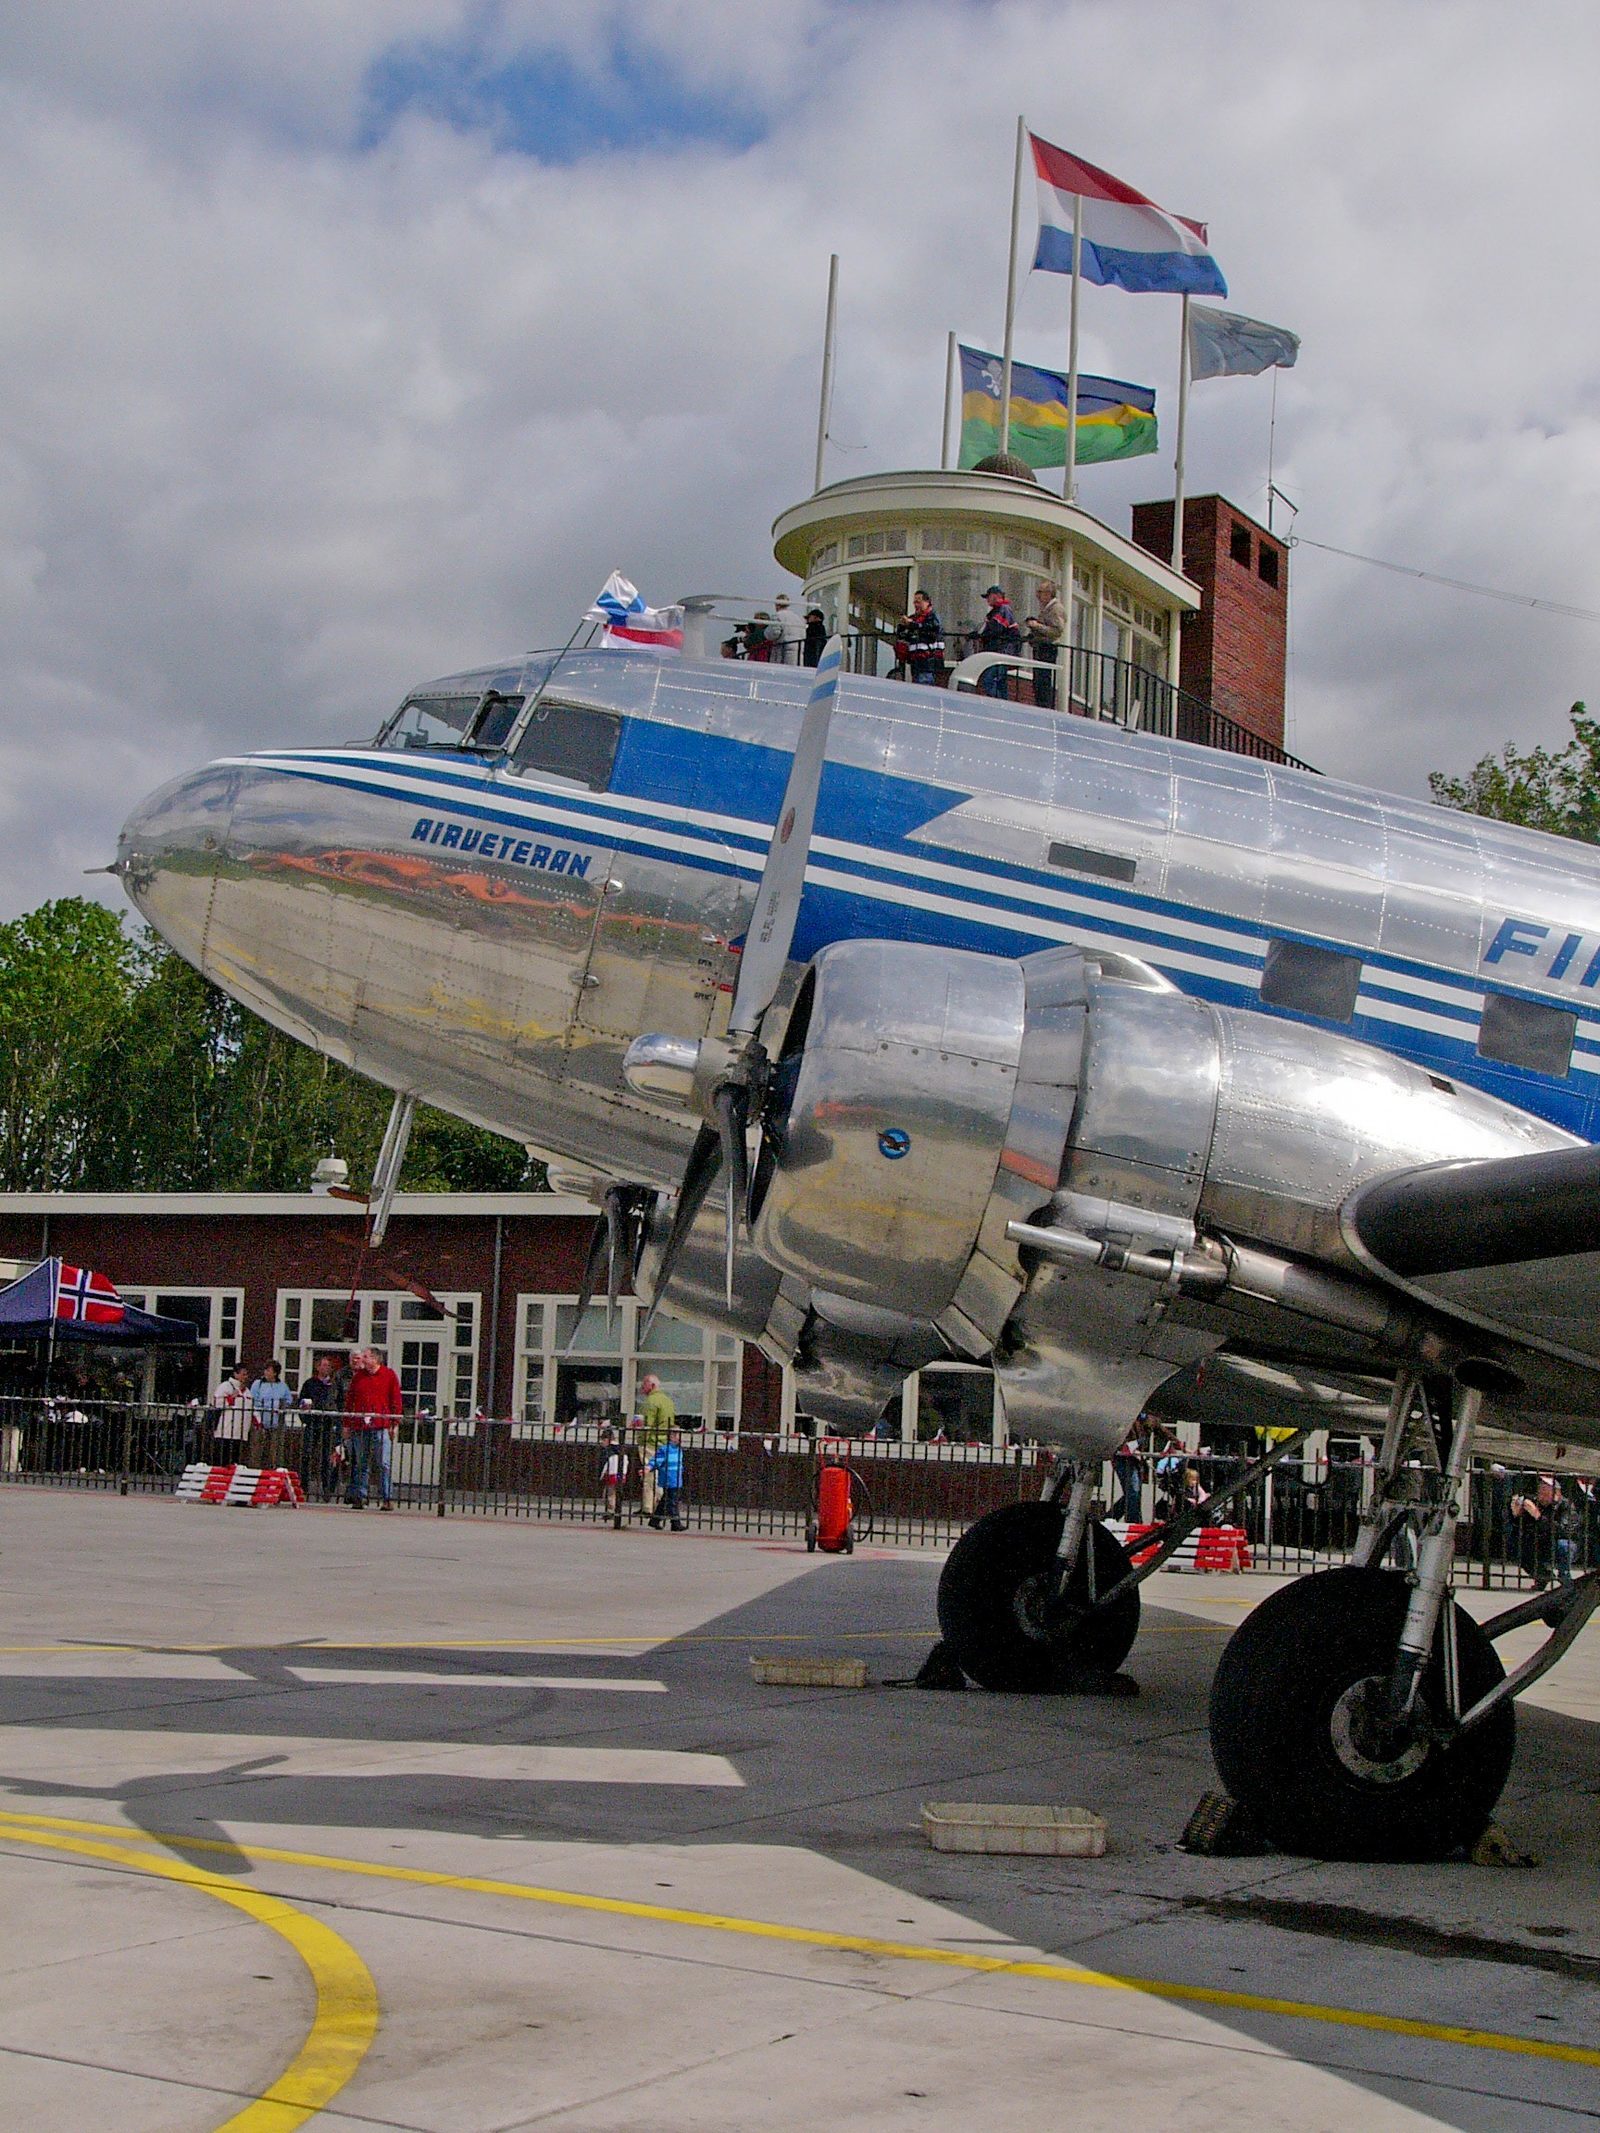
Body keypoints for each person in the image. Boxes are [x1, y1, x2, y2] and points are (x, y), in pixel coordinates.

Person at [343, 1346, 403, 1509]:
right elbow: (350, 1400)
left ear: (375, 1359)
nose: (362, 1359)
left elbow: (396, 1400)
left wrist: (394, 1424)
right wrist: (347, 1423)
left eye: (366, 1356)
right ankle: (360, 1496)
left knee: (383, 1462)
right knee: (361, 1463)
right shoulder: (358, 1377)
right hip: (359, 1425)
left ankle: (387, 1497)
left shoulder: (388, 1375)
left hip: (381, 1425)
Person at [296, 1353, 343, 1501]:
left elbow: (340, 1403)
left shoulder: (335, 1385)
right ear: (317, 1367)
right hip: (313, 1424)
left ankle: (327, 1489)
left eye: (329, 1366)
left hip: (329, 1425)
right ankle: (303, 1488)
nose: (326, 1368)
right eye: (323, 1365)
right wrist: (305, 1418)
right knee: (307, 1455)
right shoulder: (310, 1383)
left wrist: (337, 1422)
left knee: (327, 1458)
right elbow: (302, 1402)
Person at [1025, 580, 1066, 710]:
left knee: (1043, 682)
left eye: (1040, 592)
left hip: (1047, 649)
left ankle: (1045, 707)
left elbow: (1057, 631)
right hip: (1041, 648)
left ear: (1048, 594)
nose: (1037, 595)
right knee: (1038, 682)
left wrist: (1037, 626)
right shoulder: (1047, 608)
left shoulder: (1055, 608)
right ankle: (1041, 705)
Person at [976, 584, 1021, 698]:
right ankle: (1003, 704)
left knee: (989, 681)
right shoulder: (996, 611)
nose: (987, 600)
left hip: (1001, 652)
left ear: (996, 596)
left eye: (988, 596)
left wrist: (982, 635)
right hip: (998, 652)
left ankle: (998, 703)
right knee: (1000, 683)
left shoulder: (1003, 609)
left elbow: (996, 629)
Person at [248, 1359, 295, 1465]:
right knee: (257, 1449)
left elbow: (288, 1400)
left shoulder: (282, 1386)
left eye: (269, 1370)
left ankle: (274, 1470)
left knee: (275, 1450)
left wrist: (281, 1407)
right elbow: (252, 1399)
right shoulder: (257, 1384)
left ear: (275, 1373)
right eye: (266, 1370)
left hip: (276, 1423)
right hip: (259, 1422)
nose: (266, 1373)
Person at [898, 590, 945, 685]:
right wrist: (903, 627)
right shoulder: (915, 618)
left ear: (927, 602)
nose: (916, 605)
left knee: (925, 689)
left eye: (918, 602)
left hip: (929, 664)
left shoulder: (932, 617)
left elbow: (932, 630)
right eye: (914, 602)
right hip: (916, 663)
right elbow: (904, 635)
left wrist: (913, 625)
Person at [647, 1428, 688, 1531]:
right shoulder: (665, 1449)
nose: (680, 1438)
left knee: (665, 1501)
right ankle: (675, 1523)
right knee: (672, 1502)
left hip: (676, 1479)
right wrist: (649, 1467)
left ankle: (655, 1520)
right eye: (678, 1435)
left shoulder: (679, 1450)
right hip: (668, 1479)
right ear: (671, 1436)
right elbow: (657, 1460)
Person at [210, 1363, 251, 1460]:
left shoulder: (247, 1391)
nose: (246, 1377)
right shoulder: (225, 1386)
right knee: (223, 1458)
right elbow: (216, 1402)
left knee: (236, 1459)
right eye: (243, 1374)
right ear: (235, 1374)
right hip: (226, 1431)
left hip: (241, 1432)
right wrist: (231, 1397)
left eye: (246, 1374)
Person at [598, 1425, 629, 1520]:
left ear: (607, 1440)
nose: (601, 1442)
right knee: (616, 1493)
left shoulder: (608, 1451)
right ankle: (615, 1509)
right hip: (621, 1474)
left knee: (609, 1493)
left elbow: (605, 1464)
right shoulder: (621, 1449)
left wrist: (601, 1475)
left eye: (603, 1440)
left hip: (611, 1475)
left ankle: (611, 1511)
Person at [771, 593, 806, 665]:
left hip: (782, 653)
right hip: (798, 653)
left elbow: (774, 633)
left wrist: (765, 634)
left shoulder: (777, 616)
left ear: (777, 605)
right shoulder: (798, 618)